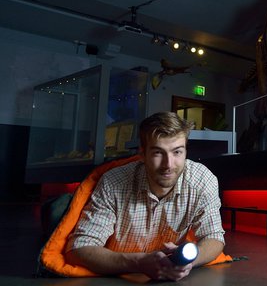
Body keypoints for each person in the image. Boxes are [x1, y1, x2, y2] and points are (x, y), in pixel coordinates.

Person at [65, 111, 225, 281]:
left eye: (177, 152)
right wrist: (139, 262)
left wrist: (189, 261)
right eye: (157, 152)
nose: (168, 165)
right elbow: (80, 248)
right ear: (142, 153)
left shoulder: (202, 180)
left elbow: (214, 237)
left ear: (186, 151)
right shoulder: (113, 182)